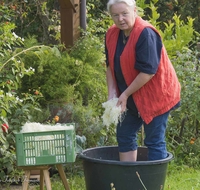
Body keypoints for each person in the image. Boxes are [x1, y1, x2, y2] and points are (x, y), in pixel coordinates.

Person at [105, 0, 181, 161]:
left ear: (135, 11)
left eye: (124, 13)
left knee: (153, 140)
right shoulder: (112, 34)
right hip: (131, 96)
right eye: (115, 15)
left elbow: (148, 72)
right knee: (124, 135)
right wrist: (112, 94)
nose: (120, 19)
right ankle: (129, 179)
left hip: (156, 95)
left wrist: (124, 95)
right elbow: (110, 66)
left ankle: (153, 184)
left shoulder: (146, 33)